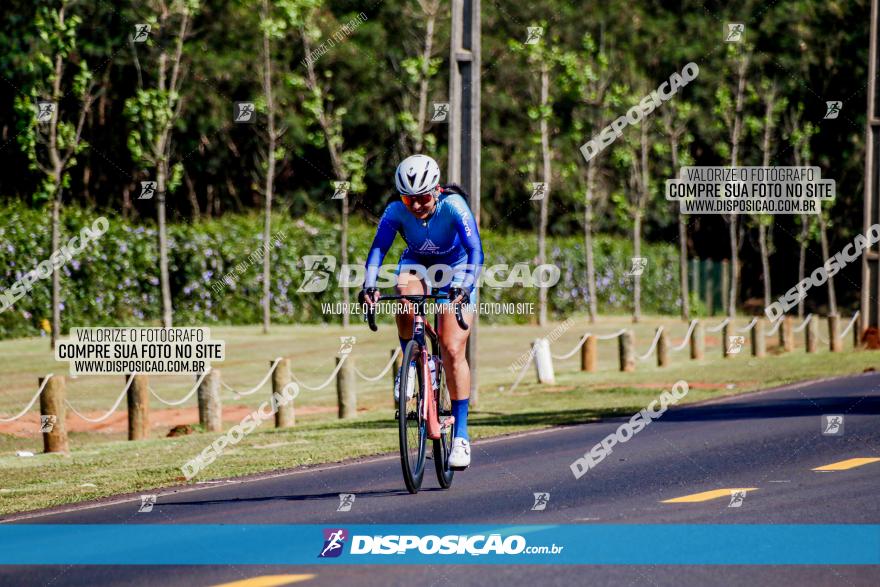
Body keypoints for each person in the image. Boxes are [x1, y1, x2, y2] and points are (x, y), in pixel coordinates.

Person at [360, 154, 483, 468]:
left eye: (423, 198)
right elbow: (378, 249)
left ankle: (461, 436)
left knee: (452, 348)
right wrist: (369, 285)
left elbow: (475, 252)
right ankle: (412, 364)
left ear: (437, 191)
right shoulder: (394, 212)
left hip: (456, 268)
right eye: (408, 199)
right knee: (403, 293)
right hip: (416, 263)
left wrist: (465, 286)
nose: (415, 205)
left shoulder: (455, 207)